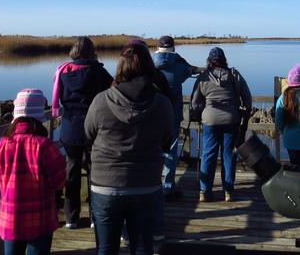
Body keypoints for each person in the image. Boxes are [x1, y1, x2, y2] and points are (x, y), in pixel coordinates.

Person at [84, 40, 173, 255]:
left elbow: (88, 136)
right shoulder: (162, 103)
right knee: (142, 247)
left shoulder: (101, 101)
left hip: (105, 185)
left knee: (106, 249)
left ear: (121, 67)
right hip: (145, 185)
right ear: (149, 66)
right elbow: (167, 140)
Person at [0, 88, 66, 255]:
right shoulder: (44, 145)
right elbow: (59, 180)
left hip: (10, 218)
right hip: (40, 218)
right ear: (39, 116)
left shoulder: (2, 145)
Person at [51, 36, 113, 228]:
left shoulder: (63, 71)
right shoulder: (98, 71)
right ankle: (96, 216)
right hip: (94, 127)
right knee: (96, 171)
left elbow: (60, 97)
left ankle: (71, 218)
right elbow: (113, 91)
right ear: (91, 51)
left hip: (70, 127)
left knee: (72, 172)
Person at [190, 47, 252, 202]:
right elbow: (247, 97)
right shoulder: (234, 74)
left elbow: (195, 102)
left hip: (210, 119)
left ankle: (204, 191)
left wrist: (199, 114)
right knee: (229, 155)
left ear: (209, 61)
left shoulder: (203, 77)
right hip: (232, 119)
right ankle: (228, 192)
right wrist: (245, 112)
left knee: (208, 155)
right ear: (224, 59)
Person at [153, 35, 202, 199]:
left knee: (151, 150)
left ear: (158, 48)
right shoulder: (179, 65)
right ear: (173, 48)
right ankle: (168, 186)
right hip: (172, 114)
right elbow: (192, 70)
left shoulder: (147, 63)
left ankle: (152, 184)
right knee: (171, 150)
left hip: (150, 115)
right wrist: (204, 69)